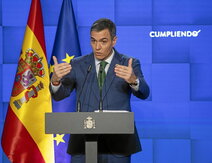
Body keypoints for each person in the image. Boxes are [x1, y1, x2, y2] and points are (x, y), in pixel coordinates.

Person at [50, 18, 150, 163]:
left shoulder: (128, 63)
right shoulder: (78, 64)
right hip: (82, 144)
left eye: (103, 41)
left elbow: (144, 93)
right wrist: (55, 80)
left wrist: (133, 80)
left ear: (114, 41)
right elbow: (59, 95)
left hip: (118, 145)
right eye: (93, 41)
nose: (97, 47)